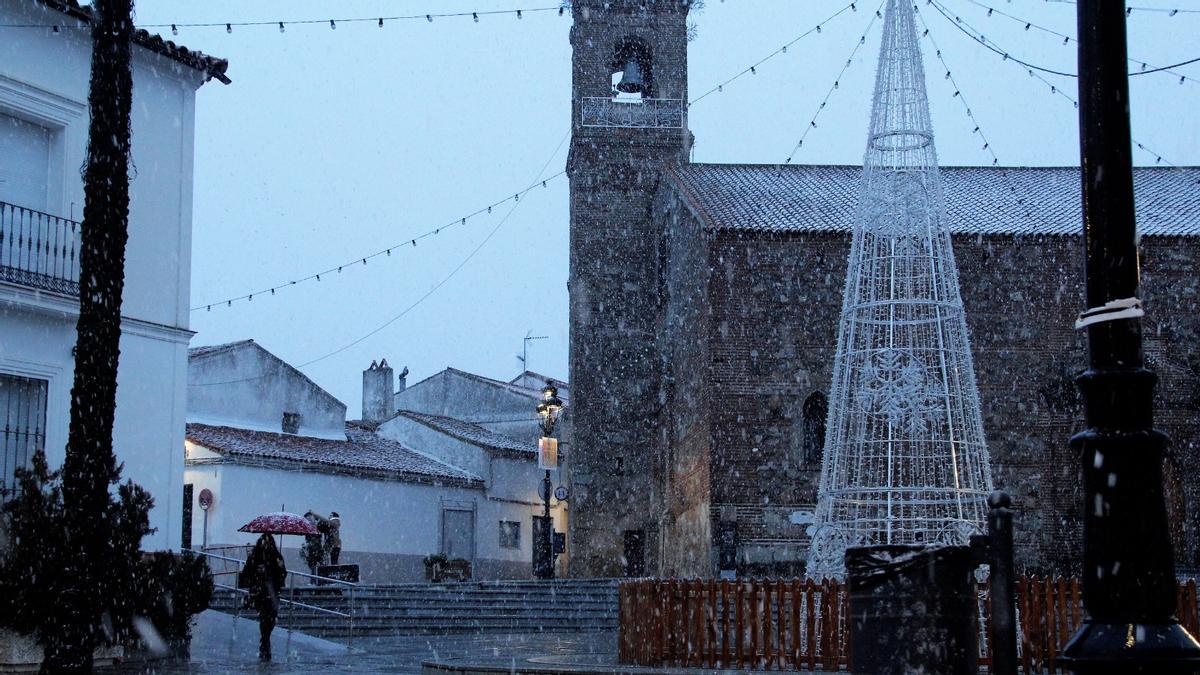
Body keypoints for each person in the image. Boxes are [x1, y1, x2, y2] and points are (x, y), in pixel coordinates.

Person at [242, 533, 287, 660]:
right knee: (264, 618)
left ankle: (264, 641)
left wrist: (280, 567)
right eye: (264, 542)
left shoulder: (276, 557)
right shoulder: (255, 557)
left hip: (273, 592)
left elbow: (283, 574)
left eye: (268, 542)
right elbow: (246, 574)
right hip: (260, 592)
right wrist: (257, 571)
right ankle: (265, 644)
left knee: (271, 619)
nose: (266, 545)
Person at [300, 511, 324, 581]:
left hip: (315, 548)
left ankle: (316, 580)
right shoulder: (310, 527)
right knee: (314, 566)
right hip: (314, 549)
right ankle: (316, 580)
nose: (309, 520)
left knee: (315, 565)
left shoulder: (315, 527)